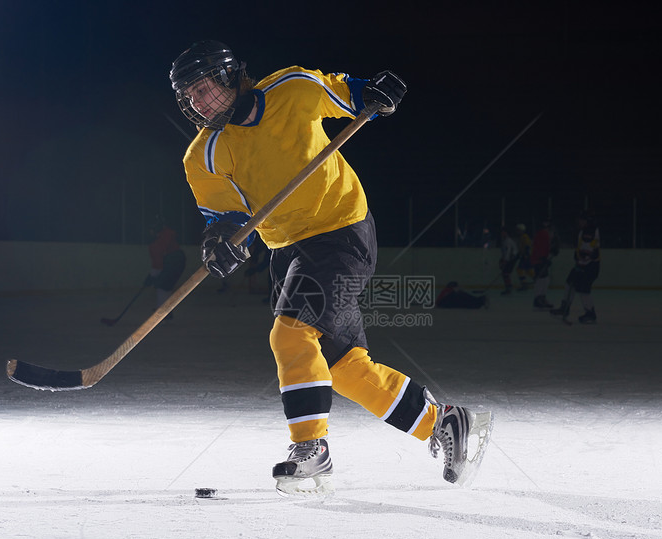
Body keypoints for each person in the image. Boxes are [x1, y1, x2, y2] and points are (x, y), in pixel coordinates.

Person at [169, 40, 491, 495]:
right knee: (343, 368)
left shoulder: (291, 88)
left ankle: (310, 450)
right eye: (190, 98)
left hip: (341, 232)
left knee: (291, 333)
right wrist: (220, 243)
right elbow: (226, 219)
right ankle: (446, 423)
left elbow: (346, 94)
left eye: (203, 89)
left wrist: (373, 94)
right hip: (289, 252)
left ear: (230, 77)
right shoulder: (203, 156)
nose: (198, 103)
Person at [551, 210, 600, 324]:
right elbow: (580, 248)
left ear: (588, 221)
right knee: (569, 282)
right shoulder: (582, 231)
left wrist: (583, 258)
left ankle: (590, 314)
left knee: (584, 289)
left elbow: (592, 250)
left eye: (582, 220)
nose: (579, 222)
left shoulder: (591, 231)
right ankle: (565, 308)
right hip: (582, 264)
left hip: (590, 266)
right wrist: (578, 256)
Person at [146, 218, 186, 311]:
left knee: (163, 286)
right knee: (164, 286)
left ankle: (163, 312)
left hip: (175, 261)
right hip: (177, 260)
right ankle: (165, 311)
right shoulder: (164, 235)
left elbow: (158, 262)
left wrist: (152, 276)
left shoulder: (157, 243)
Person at [530, 218, 559, 309]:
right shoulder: (543, 234)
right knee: (542, 279)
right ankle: (538, 299)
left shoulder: (543, 234)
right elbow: (541, 248)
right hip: (539, 260)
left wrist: (549, 254)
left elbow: (544, 247)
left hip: (540, 259)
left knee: (545, 279)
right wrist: (544, 258)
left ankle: (541, 298)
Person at [498, 226, 518, 295]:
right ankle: (508, 288)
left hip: (511, 259)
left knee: (506, 273)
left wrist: (505, 260)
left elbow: (508, 252)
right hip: (509, 258)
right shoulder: (505, 240)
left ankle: (509, 288)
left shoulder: (508, 241)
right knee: (505, 274)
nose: (502, 233)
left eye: (503, 232)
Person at [515, 224, 533, 290]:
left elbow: (527, 246)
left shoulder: (524, 236)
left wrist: (526, 254)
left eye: (518, 230)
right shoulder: (522, 237)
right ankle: (536, 279)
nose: (517, 231)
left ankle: (524, 284)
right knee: (527, 270)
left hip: (526, 256)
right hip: (525, 255)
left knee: (520, 269)